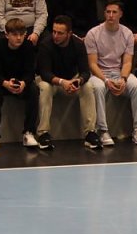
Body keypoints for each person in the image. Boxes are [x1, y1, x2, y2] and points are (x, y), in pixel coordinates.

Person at [84, 0, 137, 147]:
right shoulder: (93, 34)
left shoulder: (127, 33)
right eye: (108, 12)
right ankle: (102, 130)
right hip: (98, 74)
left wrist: (123, 79)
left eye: (114, 12)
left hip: (118, 72)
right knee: (98, 88)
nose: (111, 15)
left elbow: (127, 62)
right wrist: (106, 80)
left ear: (120, 14)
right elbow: (92, 64)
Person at [37, 15, 97, 149]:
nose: (55, 36)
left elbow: (85, 72)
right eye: (54, 32)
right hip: (52, 82)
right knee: (44, 87)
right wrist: (62, 82)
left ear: (69, 34)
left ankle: (90, 133)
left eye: (60, 33)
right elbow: (45, 73)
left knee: (88, 86)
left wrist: (78, 81)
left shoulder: (78, 44)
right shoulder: (45, 45)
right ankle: (43, 133)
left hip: (71, 80)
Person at [0, 17, 40, 150]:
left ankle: (29, 132)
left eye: (21, 34)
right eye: (14, 34)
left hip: (19, 82)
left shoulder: (28, 46)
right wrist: (5, 83)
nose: (18, 38)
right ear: (7, 35)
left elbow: (30, 72)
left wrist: (23, 83)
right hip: (0, 82)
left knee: (33, 89)